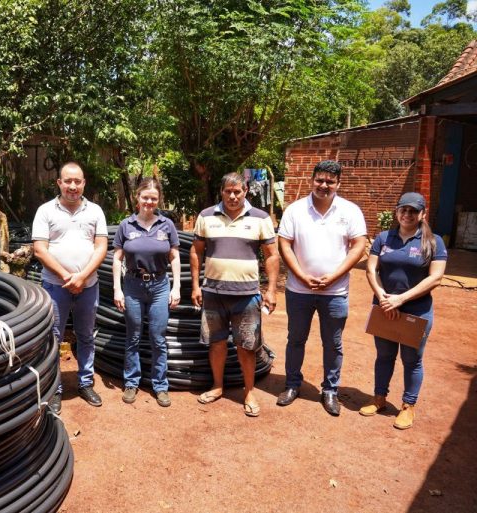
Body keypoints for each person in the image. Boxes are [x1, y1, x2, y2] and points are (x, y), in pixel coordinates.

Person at [276, 160, 367, 416]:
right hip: (298, 290)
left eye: (330, 181)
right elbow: (285, 244)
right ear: (311, 180)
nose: (324, 185)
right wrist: (302, 276)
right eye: (320, 180)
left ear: (338, 183)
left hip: (335, 292)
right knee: (295, 339)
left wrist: (335, 276)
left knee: (333, 343)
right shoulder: (295, 210)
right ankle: (292, 384)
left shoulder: (350, 211)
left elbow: (359, 245)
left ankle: (330, 390)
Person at [190, 172, 279, 417]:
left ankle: (249, 391)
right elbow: (196, 251)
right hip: (213, 293)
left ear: (246, 191)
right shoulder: (206, 216)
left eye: (237, 191)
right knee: (216, 343)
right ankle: (217, 386)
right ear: (221, 191)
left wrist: (270, 290)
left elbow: (272, 255)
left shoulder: (260, 218)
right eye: (228, 191)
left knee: (247, 346)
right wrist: (196, 286)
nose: (232, 196)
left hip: (247, 295)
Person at [360, 192, 447, 429]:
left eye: (413, 211)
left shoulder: (433, 241)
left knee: (412, 360)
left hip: (416, 311)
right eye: (403, 210)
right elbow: (371, 270)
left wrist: (402, 299)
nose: (407, 215)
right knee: (384, 356)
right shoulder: (383, 238)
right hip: (385, 308)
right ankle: (379, 398)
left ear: (422, 214)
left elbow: (436, 277)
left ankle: (408, 406)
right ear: (397, 211)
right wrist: (382, 297)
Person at [32, 162, 108, 412]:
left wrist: (83, 277)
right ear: (59, 183)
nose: (73, 186)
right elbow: (40, 250)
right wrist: (68, 276)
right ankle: (55, 388)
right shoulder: (45, 211)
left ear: (84, 183)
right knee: (53, 337)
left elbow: (101, 247)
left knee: (86, 335)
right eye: (68, 181)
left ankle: (85, 383)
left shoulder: (95, 211)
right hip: (56, 287)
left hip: (89, 286)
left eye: (77, 181)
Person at [112, 178, 181, 407]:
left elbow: (174, 257)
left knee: (157, 338)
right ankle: (131, 382)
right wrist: (117, 289)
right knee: (133, 336)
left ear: (158, 199)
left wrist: (177, 286)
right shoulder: (126, 225)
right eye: (145, 197)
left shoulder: (166, 224)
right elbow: (117, 258)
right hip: (132, 286)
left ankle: (160, 386)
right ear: (137, 197)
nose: (149, 202)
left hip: (160, 286)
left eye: (153, 198)